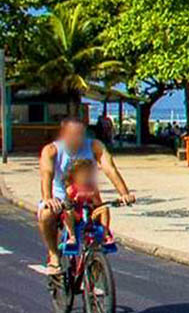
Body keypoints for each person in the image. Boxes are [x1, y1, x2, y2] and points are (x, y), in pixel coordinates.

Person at [38, 117, 134, 274]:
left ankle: (98, 253)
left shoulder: (95, 146)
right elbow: (46, 174)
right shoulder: (52, 150)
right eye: (73, 134)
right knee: (46, 215)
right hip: (61, 198)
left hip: (88, 195)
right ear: (64, 134)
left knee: (101, 212)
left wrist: (124, 194)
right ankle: (54, 254)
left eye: (80, 134)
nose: (77, 138)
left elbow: (110, 169)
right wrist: (48, 198)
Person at [63, 158, 114, 248]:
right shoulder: (71, 189)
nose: (86, 177)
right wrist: (74, 199)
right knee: (68, 212)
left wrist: (93, 196)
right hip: (77, 214)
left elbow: (98, 204)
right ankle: (72, 236)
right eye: (82, 174)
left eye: (88, 174)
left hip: (90, 214)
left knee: (104, 209)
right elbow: (67, 203)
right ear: (74, 176)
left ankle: (106, 235)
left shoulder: (92, 187)